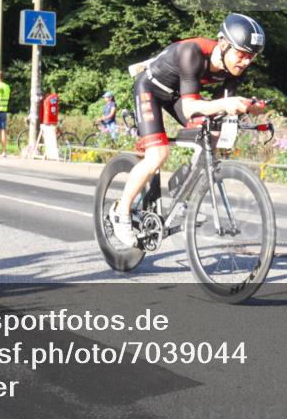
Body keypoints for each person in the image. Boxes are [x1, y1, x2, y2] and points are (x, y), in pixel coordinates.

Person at [109, 13, 267, 247]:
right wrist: (226, 104)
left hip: (177, 95)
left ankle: (182, 191)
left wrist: (249, 107)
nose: (245, 62)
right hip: (150, 89)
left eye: (251, 57)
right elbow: (192, 106)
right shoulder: (192, 53)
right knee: (158, 154)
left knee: (213, 129)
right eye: (242, 54)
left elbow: (222, 108)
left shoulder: (235, 68)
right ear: (223, 44)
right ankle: (121, 213)